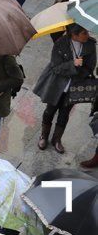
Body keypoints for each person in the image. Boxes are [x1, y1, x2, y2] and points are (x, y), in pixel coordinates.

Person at [33, 24, 96, 153]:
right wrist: (73, 64)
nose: (87, 36)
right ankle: (44, 136)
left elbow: (90, 67)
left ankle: (57, 139)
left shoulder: (90, 44)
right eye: (84, 33)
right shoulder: (60, 44)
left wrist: (79, 71)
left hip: (75, 86)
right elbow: (56, 67)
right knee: (50, 110)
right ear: (74, 34)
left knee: (64, 113)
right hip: (56, 85)